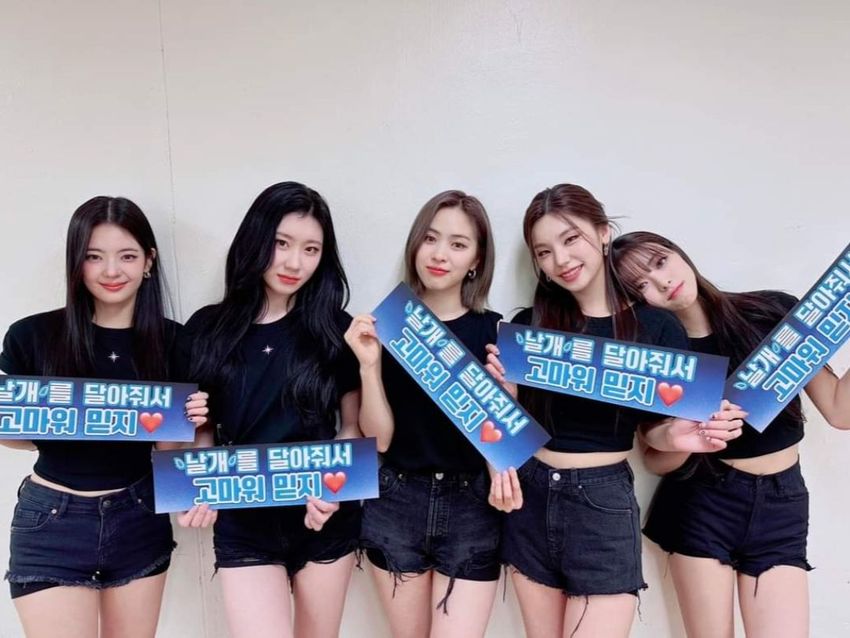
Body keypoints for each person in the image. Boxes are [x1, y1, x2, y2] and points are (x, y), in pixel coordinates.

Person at [484, 184, 742, 638]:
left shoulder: (656, 327)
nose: (560, 260)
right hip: (531, 495)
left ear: (603, 233)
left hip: (601, 503)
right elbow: (507, 430)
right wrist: (504, 396)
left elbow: (653, 437)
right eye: (544, 252)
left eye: (571, 239)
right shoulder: (528, 327)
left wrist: (677, 436)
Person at [611, 230, 850, 638]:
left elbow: (839, 410)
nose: (662, 282)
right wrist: (680, 437)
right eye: (641, 286)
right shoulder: (659, 356)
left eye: (660, 262)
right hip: (702, 502)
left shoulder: (772, 312)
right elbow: (655, 458)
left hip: (782, 502)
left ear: (679, 253)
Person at [0, 196, 208, 638]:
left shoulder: (176, 342)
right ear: (77, 263)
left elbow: (166, 450)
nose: (111, 271)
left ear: (149, 261)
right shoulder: (31, 335)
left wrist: (189, 423)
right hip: (51, 519)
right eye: (94, 256)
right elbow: (15, 434)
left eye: (127, 256)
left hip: (138, 514)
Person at [182, 181, 361, 638]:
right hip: (244, 523)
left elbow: (353, 429)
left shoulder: (335, 330)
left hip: (322, 517)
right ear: (257, 239)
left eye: (310, 249)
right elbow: (203, 430)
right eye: (282, 243)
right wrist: (199, 487)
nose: (294, 263)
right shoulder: (207, 328)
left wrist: (336, 490)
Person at [345, 190, 501, 638]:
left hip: (473, 503)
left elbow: (501, 437)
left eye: (458, 244)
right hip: (397, 498)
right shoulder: (386, 326)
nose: (439, 254)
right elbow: (380, 440)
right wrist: (369, 367)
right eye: (430, 238)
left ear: (476, 260)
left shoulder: (494, 331)